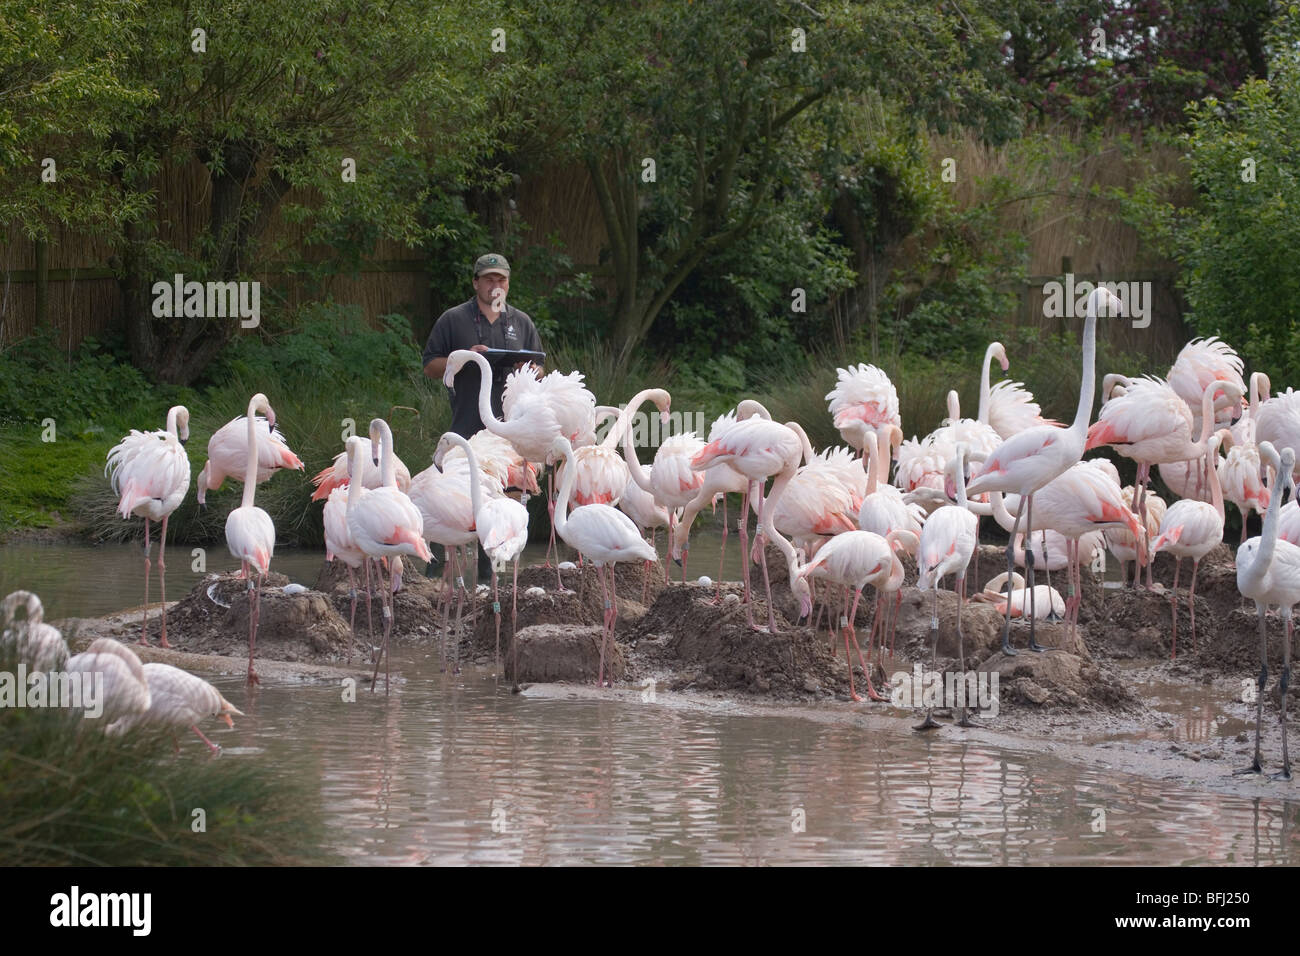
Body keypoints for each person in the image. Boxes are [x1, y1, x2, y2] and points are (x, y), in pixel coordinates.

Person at [422, 253, 543, 580]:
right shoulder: (453, 320)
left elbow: (541, 369)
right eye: (489, 278)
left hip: (506, 431)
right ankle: (432, 579)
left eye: (501, 279)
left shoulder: (522, 323)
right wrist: (460, 359)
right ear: (476, 282)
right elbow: (430, 365)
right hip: (465, 424)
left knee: (504, 500)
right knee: (443, 495)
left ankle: (490, 581)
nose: (496, 285)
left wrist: (529, 369)